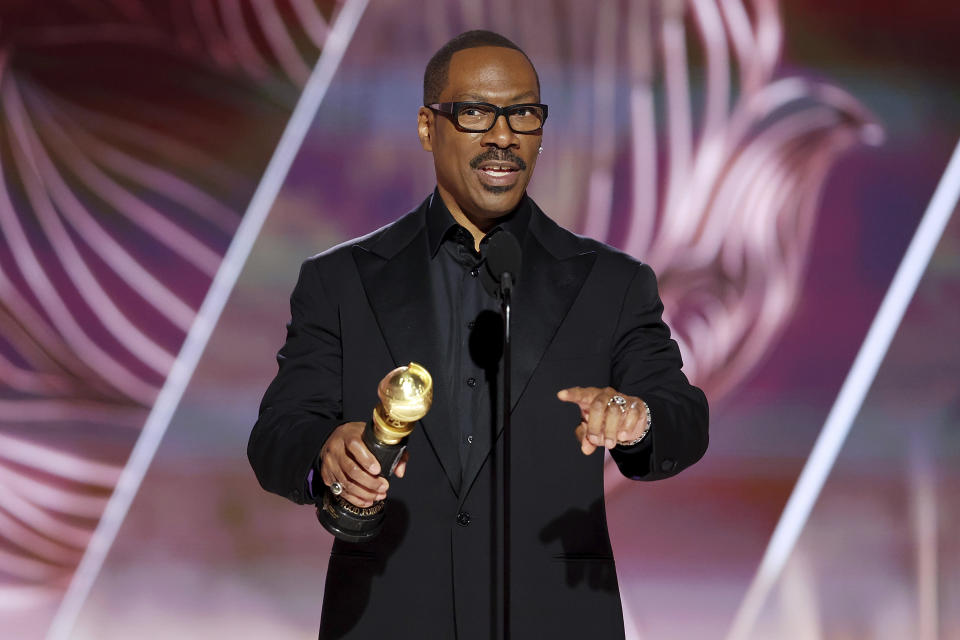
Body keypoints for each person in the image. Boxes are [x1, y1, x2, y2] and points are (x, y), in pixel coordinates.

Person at [248, 30, 708, 640]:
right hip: (390, 620)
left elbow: (684, 416)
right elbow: (278, 435)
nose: (502, 135)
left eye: (523, 114)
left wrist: (638, 417)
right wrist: (326, 453)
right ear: (427, 126)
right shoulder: (341, 281)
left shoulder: (611, 284)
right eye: (475, 113)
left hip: (555, 619)